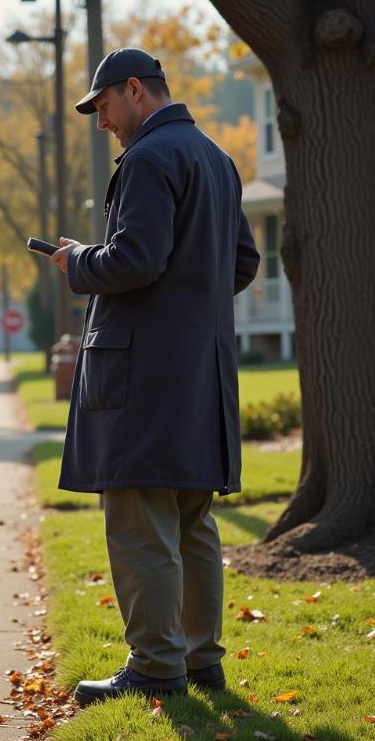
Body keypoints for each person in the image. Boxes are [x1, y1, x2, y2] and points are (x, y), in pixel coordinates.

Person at [47, 48, 260, 704]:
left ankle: (156, 667)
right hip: (203, 372)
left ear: (134, 90)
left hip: (142, 379)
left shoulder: (146, 158)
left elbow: (135, 260)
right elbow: (244, 262)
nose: (103, 121)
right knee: (192, 521)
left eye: (104, 106)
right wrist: (191, 304)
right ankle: (201, 662)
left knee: (140, 524)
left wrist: (78, 261)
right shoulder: (215, 159)